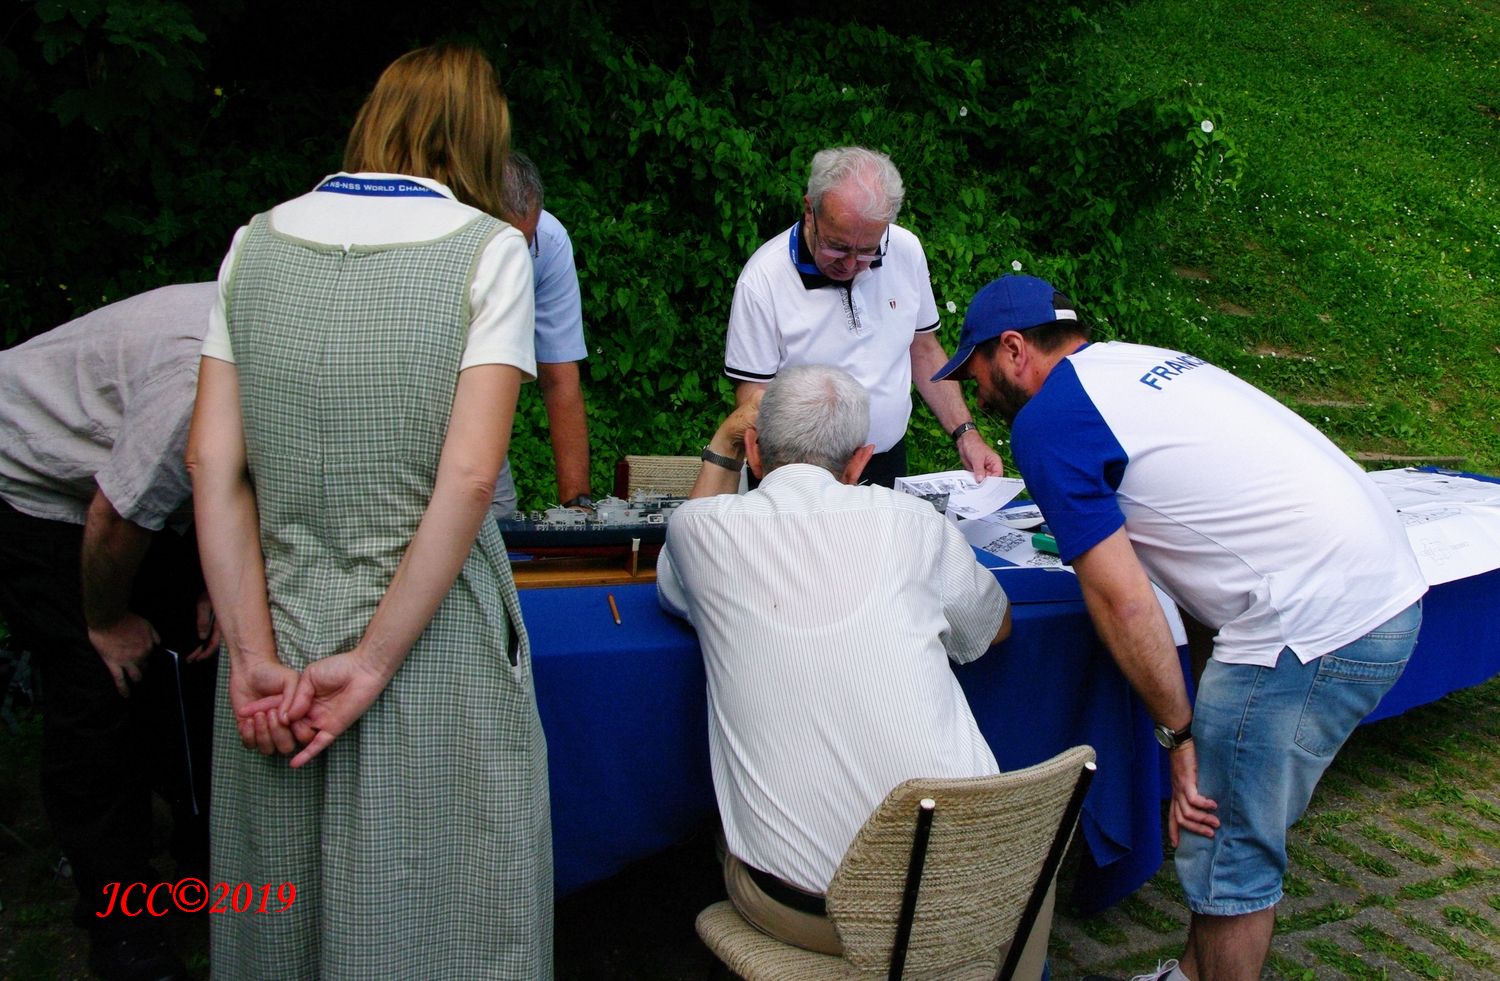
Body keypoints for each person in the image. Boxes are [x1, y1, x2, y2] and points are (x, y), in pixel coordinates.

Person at [936, 275, 1427, 981]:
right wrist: (1197, 714)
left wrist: (1180, 734)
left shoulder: (1048, 420)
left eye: (976, 371)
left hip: (1312, 623)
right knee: (1219, 829)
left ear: (1013, 350)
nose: (977, 393)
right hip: (1379, 589)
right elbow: (1195, 572)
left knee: (1226, 848)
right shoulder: (1134, 364)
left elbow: (1122, 598)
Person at [187, 44, 551, 978]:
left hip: (285, 636)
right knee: (442, 915)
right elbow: (471, 479)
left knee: (282, 912)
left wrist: (251, 655)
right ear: (477, 140)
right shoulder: (491, 253)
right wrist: (377, 658)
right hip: (430, 643)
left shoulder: (252, 243)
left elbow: (212, 462)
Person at [658, 365, 1044, 968]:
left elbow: (671, 582)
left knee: (710, 837)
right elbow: (992, 629)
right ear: (862, 461)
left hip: (817, 913)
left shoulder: (699, 528)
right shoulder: (916, 522)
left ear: (755, 449)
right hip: (971, 898)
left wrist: (724, 444)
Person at [0, 282, 220, 981]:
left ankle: (201, 857)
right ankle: (120, 922)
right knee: (96, 684)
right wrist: (105, 621)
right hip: (31, 478)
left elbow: (237, 474)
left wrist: (217, 577)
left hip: (124, 480)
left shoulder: (289, 340)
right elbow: (114, 516)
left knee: (190, 653)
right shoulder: (196, 382)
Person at [723, 146, 1003, 487]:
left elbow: (923, 349)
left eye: (867, 250)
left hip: (885, 459)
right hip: (800, 477)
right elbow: (753, 402)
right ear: (810, 211)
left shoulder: (905, 250)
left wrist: (966, 434)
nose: (851, 263)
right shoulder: (763, 280)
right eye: (837, 246)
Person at [490, 150, 593, 516]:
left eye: (524, 245)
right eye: (504, 247)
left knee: (498, 513)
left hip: (480, 402)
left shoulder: (548, 240)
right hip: (406, 398)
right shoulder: (441, 236)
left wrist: (577, 504)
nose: (515, 263)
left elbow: (559, 377)